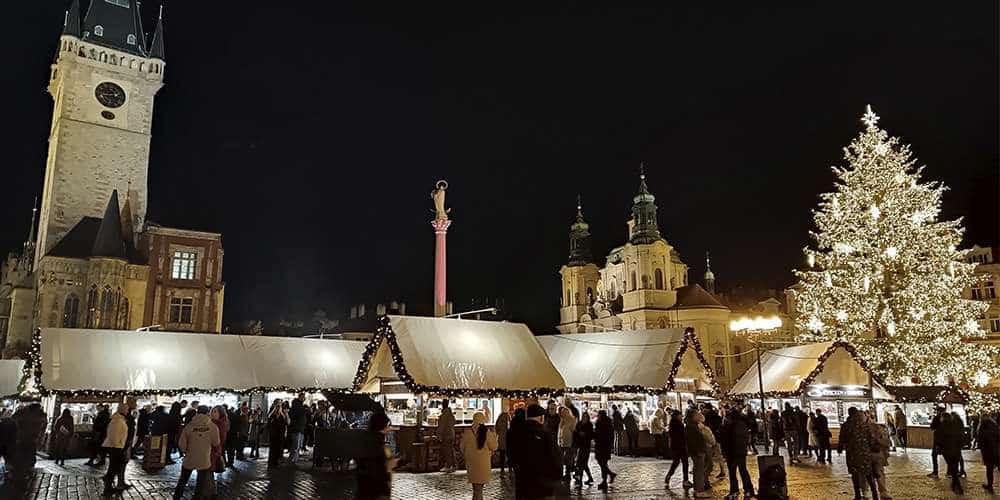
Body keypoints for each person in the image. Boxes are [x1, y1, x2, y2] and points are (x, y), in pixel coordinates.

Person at [173, 406, 220, 500]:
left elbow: (181, 444)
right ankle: (196, 497)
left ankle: (177, 496)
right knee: (200, 483)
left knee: (183, 479)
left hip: (189, 458)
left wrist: (186, 451)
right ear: (207, 413)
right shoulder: (212, 427)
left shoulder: (189, 426)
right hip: (204, 459)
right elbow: (216, 443)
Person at [838, 406, 879, 500]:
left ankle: (857, 495)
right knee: (868, 474)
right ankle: (875, 495)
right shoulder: (864, 424)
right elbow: (871, 438)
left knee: (855, 474)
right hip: (865, 452)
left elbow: (842, 438)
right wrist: (871, 447)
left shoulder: (846, 425)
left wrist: (840, 448)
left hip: (852, 453)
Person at [356, 412, 396, 500]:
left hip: (365, 490)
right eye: (388, 425)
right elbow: (378, 471)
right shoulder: (378, 445)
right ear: (382, 426)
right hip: (375, 491)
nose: (389, 428)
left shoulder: (367, 441)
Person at [102, 398, 136, 496]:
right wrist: (120, 447)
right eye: (126, 409)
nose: (127, 410)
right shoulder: (118, 420)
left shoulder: (119, 419)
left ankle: (108, 487)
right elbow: (115, 435)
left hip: (117, 447)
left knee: (114, 468)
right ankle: (108, 488)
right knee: (113, 468)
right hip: (116, 448)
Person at [721, 403, 756, 499]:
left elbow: (727, 439)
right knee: (742, 471)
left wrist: (725, 451)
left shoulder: (732, 425)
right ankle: (748, 490)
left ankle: (737, 490)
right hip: (739, 451)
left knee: (735, 472)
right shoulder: (742, 424)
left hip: (733, 452)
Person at [461, 412, 498, 500]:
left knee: (476, 489)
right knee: (479, 489)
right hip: (483, 464)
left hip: (471, 464)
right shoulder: (487, 433)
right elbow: (494, 447)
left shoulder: (468, 432)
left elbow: (462, 447)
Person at [862, 410, 892, 500]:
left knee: (875, 473)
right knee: (874, 473)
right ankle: (878, 492)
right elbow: (885, 441)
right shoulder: (874, 427)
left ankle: (868, 492)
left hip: (873, 454)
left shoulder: (874, 427)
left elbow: (884, 441)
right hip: (872, 454)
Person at [665, 409, 692, 488]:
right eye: (680, 415)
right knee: (685, 463)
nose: (682, 417)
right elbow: (683, 436)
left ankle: (668, 476)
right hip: (681, 446)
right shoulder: (678, 424)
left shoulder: (672, 423)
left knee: (675, 462)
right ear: (677, 416)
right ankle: (685, 480)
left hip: (675, 446)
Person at [939, 412, 964, 494]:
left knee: (952, 467)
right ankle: (954, 484)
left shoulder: (942, 426)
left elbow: (940, 439)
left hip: (947, 450)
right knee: (954, 467)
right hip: (956, 449)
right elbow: (960, 436)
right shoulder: (954, 425)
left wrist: (940, 448)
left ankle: (958, 486)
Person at [506, 408, 527, 499]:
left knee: (518, 478)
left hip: (515, 457)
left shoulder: (512, 427)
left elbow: (508, 443)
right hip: (525, 457)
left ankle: (519, 496)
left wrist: (510, 457)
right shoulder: (526, 427)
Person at [688, 411, 711, 498]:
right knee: (699, 471)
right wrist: (699, 450)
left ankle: (697, 489)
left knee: (698, 470)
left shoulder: (692, 425)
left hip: (697, 451)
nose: (699, 417)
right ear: (693, 416)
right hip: (697, 451)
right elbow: (694, 440)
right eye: (697, 415)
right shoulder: (692, 427)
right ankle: (699, 490)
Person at [593, 409, 617, 491]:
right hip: (606, 447)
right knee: (604, 463)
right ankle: (605, 480)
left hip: (600, 446)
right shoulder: (609, 423)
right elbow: (611, 436)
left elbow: (597, 434)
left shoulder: (599, 423)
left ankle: (607, 477)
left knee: (602, 463)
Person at [572, 410, 594, 486]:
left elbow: (591, 435)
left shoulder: (589, 425)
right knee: (583, 464)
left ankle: (580, 480)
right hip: (579, 446)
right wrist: (578, 434)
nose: (584, 418)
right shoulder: (579, 424)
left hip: (586, 447)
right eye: (583, 417)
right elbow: (575, 433)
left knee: (582, 464)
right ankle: (589, 478)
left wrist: (585, 435)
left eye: (586, 417)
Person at [978, 413, 999, 493]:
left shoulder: (982, 427)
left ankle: (990, 485)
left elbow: (981, 441)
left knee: (989, 470)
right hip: (997, 451)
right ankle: (989, 485)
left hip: (988, 452)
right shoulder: (995, 426)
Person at [557, 405, 577, 479]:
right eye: (562, 412)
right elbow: (560, 431)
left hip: (569, 442)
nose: (562, 414)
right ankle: (562, 473)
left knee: (568, 459)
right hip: (561, 442)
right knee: (561, 459)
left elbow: (573, 431)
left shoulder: (572, 420)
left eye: (563, 412)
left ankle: (567, 474)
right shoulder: (562, 421)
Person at [287, 393, 307, 464]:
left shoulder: (299, 405)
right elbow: (297, 414)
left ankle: (294, 458)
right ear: (300, 397)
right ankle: (293, 459)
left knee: (297, 445)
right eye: (303, 397)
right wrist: (304, 409)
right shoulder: (297, 406)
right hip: (297, 428)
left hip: (300, 428)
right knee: (296, 445)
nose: (304, 398)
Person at [438, 399, 457, 473]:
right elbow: (454, 422)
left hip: (446, 435)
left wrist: (439, 435)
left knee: (447, 451)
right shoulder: (450, 414)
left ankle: (449, 466)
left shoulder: (444, 415)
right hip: (451, 434)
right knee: (451, 451)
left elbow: (441, 426)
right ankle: (454, 465)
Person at [267, 400, 288, 467]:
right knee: (273, 448)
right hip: (274, 434)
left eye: (280, 404)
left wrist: (286, 414)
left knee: (278, 448)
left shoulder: (282, 414)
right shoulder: (272, 413)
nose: (279, 406)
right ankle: (271, 463)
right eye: (278, 404)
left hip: (280, 434)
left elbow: (287, 423)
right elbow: (269, 422)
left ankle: (275, 462)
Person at [494, 407, 510, 473]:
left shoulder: (499, 418)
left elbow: (496, 428)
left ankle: (502, 468)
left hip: (501, 439)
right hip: (508, 439)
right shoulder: (508, 418)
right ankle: (510, 468)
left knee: (502, 454)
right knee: (509, 454)